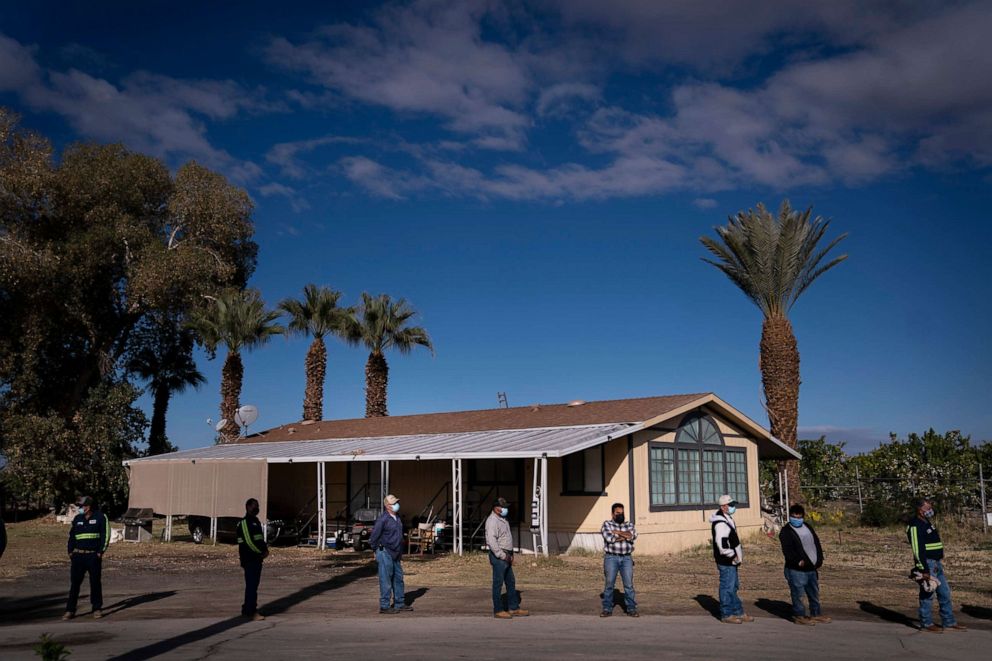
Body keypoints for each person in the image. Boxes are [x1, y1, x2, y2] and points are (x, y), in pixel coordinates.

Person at [907, 497, 967, 632]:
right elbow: (917, 549)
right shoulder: (915, 525)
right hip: (927, 564)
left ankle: (949, 622)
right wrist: (923, 569)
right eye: (928, 508)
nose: (930, 510)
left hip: (936, 564)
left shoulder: (926, 522)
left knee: (944, 593)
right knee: (928, 594)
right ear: (920, 510)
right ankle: (926, 624)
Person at [779, 504, 829, 625]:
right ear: (790, 516)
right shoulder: (786, 531)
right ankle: (799, 615)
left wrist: (819, 559)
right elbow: (787, 550)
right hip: (796, 569)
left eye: (799, 516)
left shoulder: (807, 527)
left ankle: (816, 613)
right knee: (798, 594)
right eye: (794, 517)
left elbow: (815, 542)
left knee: (813, 592)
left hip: (811, 568)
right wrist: (798, 561)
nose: (797, 519)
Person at [63, 496, 109, 620]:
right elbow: (72, 536)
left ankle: (97, 608)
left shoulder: (100, 517)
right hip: (78, 556)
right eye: (80, 507)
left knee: (95, 583)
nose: (81, 508)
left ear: (89, 506)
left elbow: (105, 534)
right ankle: (70, 610)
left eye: (83, 506)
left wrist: (100, 551)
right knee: (75, 584)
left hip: (93, 556)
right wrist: (70, 551)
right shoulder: (78, 519)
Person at [710, 494, 753, 624]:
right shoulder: (721, 523)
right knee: (727, 587)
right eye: (731, 505)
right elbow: (722, 545)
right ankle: (726, 614)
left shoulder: (727, 519)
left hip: (732, 561)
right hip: (726, 561)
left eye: (734, 504)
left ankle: (738, 612)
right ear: (723, 507)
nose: (734, 507)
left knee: (733, 587)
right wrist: (732, 555)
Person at [485, 497, 529, 619]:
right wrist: (502, 555)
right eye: (503, 507)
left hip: (507, 555)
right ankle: (498, 610)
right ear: (496, 508)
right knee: (498, 583)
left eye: (505, 507)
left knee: (510, 581)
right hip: (499, 556)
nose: (505, 509)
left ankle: (513, 607)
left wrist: (510, 555)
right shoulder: (492, 521)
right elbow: (492, 541)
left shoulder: (502, 519)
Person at [369, 494, 411, 614]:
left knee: (398, 578)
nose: (396, 505)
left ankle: (399, 603)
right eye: (393, 503)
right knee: (386, 579)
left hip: (396, 552)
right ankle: (385, 605)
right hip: (385, 551)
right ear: (387, 506)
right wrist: (376, 550)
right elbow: (374, 537)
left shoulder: (397, 518)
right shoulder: (383, 519)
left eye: (396, 502)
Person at [600, 502, 638, 617]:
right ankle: (607, 608)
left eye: (622, 513)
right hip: (611, 557)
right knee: (609, 583)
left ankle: (631, 608)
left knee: (629, 585)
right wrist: (624, 536)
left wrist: (617, 533)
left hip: (626, 558)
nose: (620, 515)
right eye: (618, 513)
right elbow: (609, 538)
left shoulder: (629, 524)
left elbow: (633, 535)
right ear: (613, 514)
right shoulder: (607, 524)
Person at [238, 497, 269, 621]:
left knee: (253, 586)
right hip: (250, 559)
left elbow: (260, 539)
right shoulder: (245, 523)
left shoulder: (255, 521)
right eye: (254, 506)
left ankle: (246, 609)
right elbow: (249, 542)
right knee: (251, 586)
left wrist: (265, 550)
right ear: (247, 507)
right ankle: (251, 611)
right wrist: (260, 553)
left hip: (257, 559)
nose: (256, 508)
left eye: (257, 506)